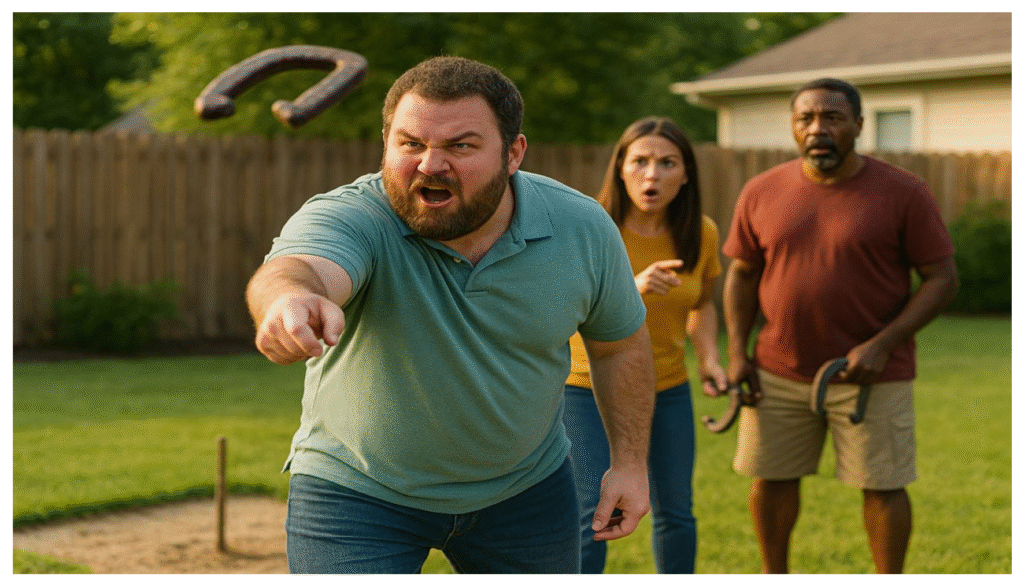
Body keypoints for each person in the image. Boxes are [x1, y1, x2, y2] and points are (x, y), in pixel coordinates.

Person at [245, 56, 656, 574]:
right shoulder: (355, 215)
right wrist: (288, 300)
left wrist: (629, 463)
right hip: (357, 492)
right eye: (410, 143)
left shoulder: (581, 227)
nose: (430, 165)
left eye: (460, 146)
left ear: (513, 153)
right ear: (386, 143)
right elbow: (298, 268)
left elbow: (619, 344)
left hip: (525, 491)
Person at [722, 78, 959, 574]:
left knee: (884, 484)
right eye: (805, 118)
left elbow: (942, 279)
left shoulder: (904, 192)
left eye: (832, 117)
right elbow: (742, 273)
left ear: (858, 124)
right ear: (793, 127)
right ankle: (773, 576)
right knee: (771, 479)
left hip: (873, 374)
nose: (818, 129)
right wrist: (738, 353)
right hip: (777, 371)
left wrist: (883, 344)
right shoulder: (762, 190)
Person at [563, 116, 727, 574]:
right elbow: (563, 307)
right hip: (587, 387)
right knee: (591, 513)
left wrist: (710, 359)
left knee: (677, 513)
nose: (652, 174)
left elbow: (703, 305)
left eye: (667, 163)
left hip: (666, 386)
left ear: (686, 173)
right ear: (620, 168)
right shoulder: (591, 225)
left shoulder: (701, 232)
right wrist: (631, 288)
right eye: (640, 161)